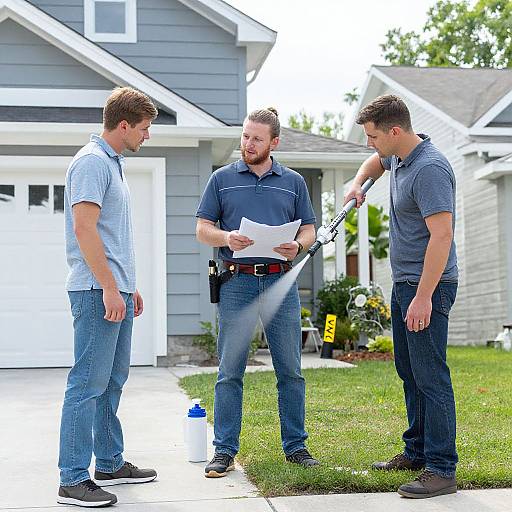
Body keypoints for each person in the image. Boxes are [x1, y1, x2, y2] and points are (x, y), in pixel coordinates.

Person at [196, 107, 319, 478]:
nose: (248, 144)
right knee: (230, 371)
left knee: (291, 371)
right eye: (246, 136)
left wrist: (297, 246)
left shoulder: (294, 182)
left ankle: (296, 447)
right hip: (237, 282)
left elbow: (309, 230)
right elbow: (202, 229)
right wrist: (226, 237)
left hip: (280, 281)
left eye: (257, 139)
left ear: (274, 142)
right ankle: (224, 451)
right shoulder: (221, 179)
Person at [346, 94, 458, 499]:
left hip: (429, 287)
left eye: (373, 136)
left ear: (395, 131)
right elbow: (374, 163)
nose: (370, 144)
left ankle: (442, 468)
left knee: (431, 376)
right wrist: (358, 184)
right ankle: (416, 452)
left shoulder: (429, 169)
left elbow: (442, 236)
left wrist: (424, 296)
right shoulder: (400, 156)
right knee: (409, 372)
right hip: (405, 284)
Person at [57, 87, 158, 508]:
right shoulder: (92, 163)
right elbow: (85, 230)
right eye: (144, 129)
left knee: (112, 381)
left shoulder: (112, 165)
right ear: (122, 125)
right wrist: (111, 288)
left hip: (114, 290)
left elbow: (112, 236)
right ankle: (73, 478)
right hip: (96, 292)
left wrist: (127, 286)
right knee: (86, 384)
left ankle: (110, 462)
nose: (146, 136)